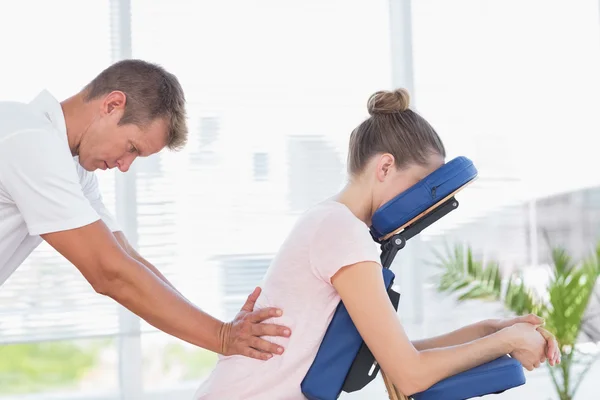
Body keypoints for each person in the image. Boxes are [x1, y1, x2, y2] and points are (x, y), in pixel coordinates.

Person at [193, 88, 561, 399]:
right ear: (385, 168)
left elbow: (393, 354)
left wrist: (494, 331)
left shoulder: (335, 225)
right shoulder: (341, 232)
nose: (420, 208)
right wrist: (504, 340)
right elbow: (409, 374)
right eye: (418, 187)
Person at [0, 59, 291, 361]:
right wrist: (223, 337)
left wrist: (225, 330)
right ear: (112, 105)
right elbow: (108, 272)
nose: (124, 166)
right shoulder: (31, 141)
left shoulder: (69, 163)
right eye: (132, 148)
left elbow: (126, 258)